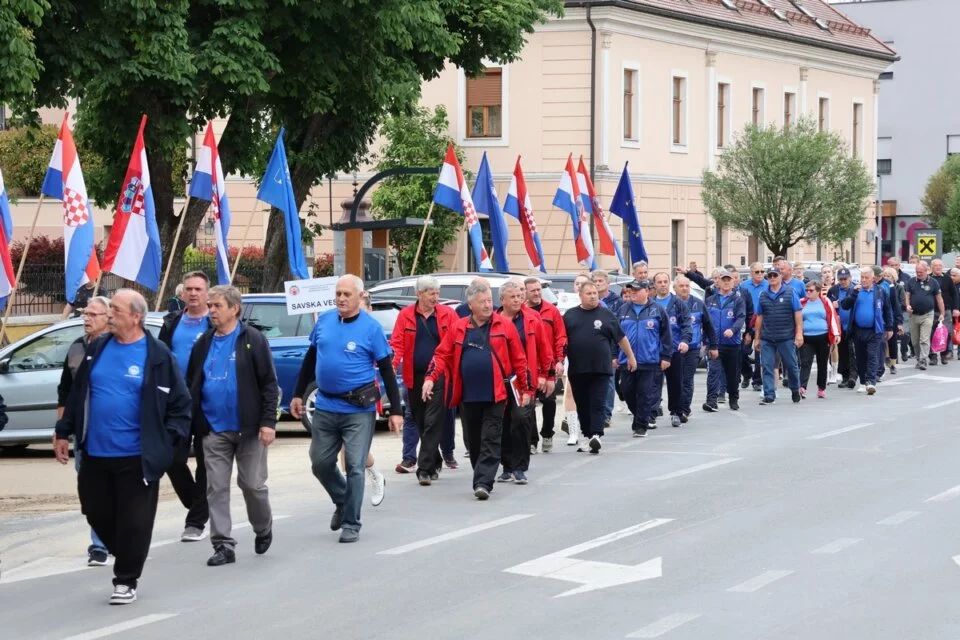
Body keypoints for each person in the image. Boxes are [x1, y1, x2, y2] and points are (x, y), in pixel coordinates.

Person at [54, 289, 191, 605]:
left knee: (134, 521)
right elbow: (77, 393)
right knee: (95, 511)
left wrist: (167, 443)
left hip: (137, 456)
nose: (110, 314)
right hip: (95, 452)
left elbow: (180, 404)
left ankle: (126, 579)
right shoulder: (97, 348)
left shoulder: (158, 355)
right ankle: (129, 551)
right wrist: (63, 431)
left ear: (136, 316)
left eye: (115, 309)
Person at [290, 275, 403, 542]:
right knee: (320, 463)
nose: (341, 298)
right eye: (338, 293)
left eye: (347, 294)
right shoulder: (325, 320)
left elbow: (386, 370)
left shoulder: (371, 328)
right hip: (325, 406)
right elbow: (310, 359)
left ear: (360, 297)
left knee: (354, 466)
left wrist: (396, 411)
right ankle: (342, 500)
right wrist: (297, 394)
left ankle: (351, 523)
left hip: (358, 410)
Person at [185, 286, 279, 567]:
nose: (211, 311)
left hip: (249, 429)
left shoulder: (253, 339)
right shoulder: (203, 342)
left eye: (217, 306)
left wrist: (268, 422)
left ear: (234, 309)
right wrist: (194, 422)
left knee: (252, 484)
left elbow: (269, 384)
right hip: (214, 429)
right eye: (210, 306)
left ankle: (262, 526)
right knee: (216, 488)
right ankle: (223, 545)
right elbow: (192, 383)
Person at [422, 280, 530, 498]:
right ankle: (481, 472)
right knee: (473, 440)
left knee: (491, 437)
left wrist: (526, 390)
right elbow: (441, 355)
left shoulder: (504, 325)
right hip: (468, 394)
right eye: (482, 302)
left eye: (489, 300)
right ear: (471, 305)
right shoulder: (459, 327)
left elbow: (519, 360)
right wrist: (430, 378)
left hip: (497, 394)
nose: (488, 305)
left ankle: (483, 483)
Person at [56, 296, 112, 566]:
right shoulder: (77, 347)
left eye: (93, 314)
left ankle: (110, 541)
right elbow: (65, 392)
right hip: (84, 432)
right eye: (85, 314)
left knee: (117, 490)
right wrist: (60, 432)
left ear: (108, 318)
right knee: (91, 490)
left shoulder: (117, 347)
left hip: (114, 432)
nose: (86, 318)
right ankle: (100, 543)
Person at [158, 271, 212, 542]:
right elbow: (159, 358)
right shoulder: (172, 323)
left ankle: (196, 522)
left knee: (205, 462)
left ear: (207, 292)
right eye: (189, 289)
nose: (193, 293)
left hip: (206, 402)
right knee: (171, 459)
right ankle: (198, 505)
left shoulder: (215, 322)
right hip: (176, 403)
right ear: (182, 293)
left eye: (198, 289)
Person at [389, 276, 459, 482]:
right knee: (420, 421)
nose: (435, 297)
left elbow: (456, 342)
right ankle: (435, 460)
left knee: (433, 420)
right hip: (414, 376)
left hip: (440, 375)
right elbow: (397, 343)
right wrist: (392, 365)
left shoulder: (448, 314)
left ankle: (425, 469)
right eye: (431, 293)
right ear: (419, 294)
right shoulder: (406, 315)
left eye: (437, 293)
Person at [564, 281, 636, 450]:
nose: (593, 296)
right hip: (578, 369)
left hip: (601, 368)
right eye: (588, 293)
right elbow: (561, 341)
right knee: (583, 404)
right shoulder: (570, 315)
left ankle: (596, 435)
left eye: (595, 293)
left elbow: (621, 338)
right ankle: (587, 435)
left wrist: (630, 357)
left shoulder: (606, 314)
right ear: (580, 295)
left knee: (597, 402)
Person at [496, 280, 551, 484]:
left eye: (520, 296)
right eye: (513, 297)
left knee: (520, 420)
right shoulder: (494, 320)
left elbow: (544, 348)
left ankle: (519, 467)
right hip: (500, 379)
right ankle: (506, 466)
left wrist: (546, 375)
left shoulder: (532, 318)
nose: (518, 300)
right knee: (502, 422)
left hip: (524, 380)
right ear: (502, 300)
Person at [619, 280, 676, 437]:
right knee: (627, 391)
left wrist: (666, 357)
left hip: (649, 361)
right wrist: (613, 355)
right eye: (631, 290)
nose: (633, 293)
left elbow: (666, 335)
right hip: (626, 360)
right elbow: (615, 334)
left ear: (647, 291)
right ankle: (639, 416)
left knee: (645, 394)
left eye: (637, 290)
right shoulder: (623, 309)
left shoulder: (657, 310)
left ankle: (641, 425)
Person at [525, 277, 566, 453]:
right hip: (529, 367)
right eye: (533, 290)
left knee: (549, 400)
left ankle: (547, 433)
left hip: (548, 365)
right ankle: (532, 440)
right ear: (525, 292)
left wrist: (559, 360)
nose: (537, 293)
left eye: (538, 290)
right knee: (529, 405)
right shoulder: (522, 312)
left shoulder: (552, 311)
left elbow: (560, 337)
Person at [840, 267, 893, 395]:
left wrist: (889, 327)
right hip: (858, 330)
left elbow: (887, 309)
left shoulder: (880, 291)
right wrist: (854, 294)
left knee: (872, 355)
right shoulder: (854, 290)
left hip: (875, 330)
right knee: (860, 357)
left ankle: (871, 382)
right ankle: (863, 382)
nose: (863, 280)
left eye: (866, 277)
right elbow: (845, 305)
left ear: (873, 278)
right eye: (862, 277)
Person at [754, 269, 803, 405]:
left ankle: (795, 389)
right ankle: (769, 394)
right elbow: (759, 317)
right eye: (769, 276)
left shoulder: (790, 292)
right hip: (767, 337)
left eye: (775, 275)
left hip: (786, 336)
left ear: (780, 276)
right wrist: (757, 337)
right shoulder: (763, 294)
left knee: (792, 366)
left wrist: (799, 333)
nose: (772, 277)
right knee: (767, 366)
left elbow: (797, 313)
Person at [652, 272, 691, 427]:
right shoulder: (650, 303)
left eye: (665, 281)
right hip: (654, 351)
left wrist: (685, 341)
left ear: (669, 283)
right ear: (654, 285)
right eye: (659, 282)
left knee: (675, 383)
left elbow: (686, 324)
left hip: (674, 350)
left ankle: (676, 412)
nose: (662, 284)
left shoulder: (678, 303)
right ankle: (651, 413)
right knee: (653, 384)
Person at [674, 276, 715, 423]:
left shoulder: (698, 303)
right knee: (676, 380)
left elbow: (708, 325)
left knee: (687, 379)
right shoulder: (670, 304)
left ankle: (684, 409)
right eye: (681, 286)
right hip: (674, 349)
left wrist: (713, 345)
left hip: (692, 348)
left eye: (687, 286)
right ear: (675, 288)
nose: (684, 288)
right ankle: (675, 408)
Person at [703, 271, 745, 412]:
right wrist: (704, 340)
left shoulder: (737, 300)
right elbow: (705, 321)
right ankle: (711, 401)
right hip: (714, 344)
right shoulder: (710, 300)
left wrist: (733, 330)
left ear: (733, 282)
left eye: (729, 280)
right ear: (718, 282)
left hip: (732, 344)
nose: (726, 283)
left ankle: (733, 398)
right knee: (713, 372)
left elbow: (741, 318)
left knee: (732, 374)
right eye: (723, 280)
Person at [799, 281, 840, 399]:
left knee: (822, 363)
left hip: (823, 336)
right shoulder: (802, 302)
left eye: (811, 290)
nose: (808, 292)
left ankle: (821, 388)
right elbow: (797, 318)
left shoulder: (825, 301)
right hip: (807, 337)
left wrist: (836, 333)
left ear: (818, 291)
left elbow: (832, 317)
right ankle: (802, 387)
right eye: (807, 290)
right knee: (805, 362)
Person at [592, 269, 620, 431]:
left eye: (600, 281)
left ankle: (606, 413)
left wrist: (616, 352)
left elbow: (618, 328)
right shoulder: (589, 301)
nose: (597, 284)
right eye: (595, 281)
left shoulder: (616, 302)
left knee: (609, 381)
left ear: (608, 283)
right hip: (593, 347)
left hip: (610, 346)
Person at [905, 261, 943, 370]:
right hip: (913, 315)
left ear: (927, 271)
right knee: (915, 341)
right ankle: (918, 358)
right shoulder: (911, 281)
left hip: (928, 314)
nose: (918, 274)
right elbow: (907, 295)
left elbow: (939, 299)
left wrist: (942, 313)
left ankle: (923, 360)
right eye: (917, 272)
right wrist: (907, 305)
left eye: (921, 272)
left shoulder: (933, 282)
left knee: (924, 339)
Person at [827, 268, 859, 388]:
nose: (843, 281)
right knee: (843, 351)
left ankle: (853, 376)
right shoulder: (833, 290)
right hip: (839, 326)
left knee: (852, 351)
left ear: (850, 278)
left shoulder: (855, 289)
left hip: (852, 325)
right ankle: (845, 377)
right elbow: (828, 305)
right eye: (841, 279)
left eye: (845, 279)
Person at [740, 262, 767, 391]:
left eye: (762, 271)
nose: (760, 274)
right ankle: (746, 374)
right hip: (747, 324)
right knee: (742, 353)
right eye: (757, 272)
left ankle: (757, 380)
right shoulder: (744, 286)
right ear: (751, 273)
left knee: (758, 354)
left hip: (763, 324)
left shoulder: (768, 285)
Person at [878, 267, 905, 377]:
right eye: (885, 275)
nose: (886, 278)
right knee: (882, 341)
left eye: (889, 276)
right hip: (881, 318)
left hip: (892, 317)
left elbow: (897, 305)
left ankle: (893, 364)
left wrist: (899, 322)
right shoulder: (880, 286)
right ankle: (885, 359)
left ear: (894, 278)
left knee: (892, 341)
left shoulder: (894, 287)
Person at [930, 259, 956, 364]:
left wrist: (956, 308)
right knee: (931, 333)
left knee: (946, 333)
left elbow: (954, 294)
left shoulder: (947, 278)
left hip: (946, 310)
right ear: (931, 267)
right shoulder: (928, 278)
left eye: (940, 265)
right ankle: (932, 356)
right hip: (931, 310)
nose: (938, 267)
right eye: (936, 265)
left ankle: (944, 354)